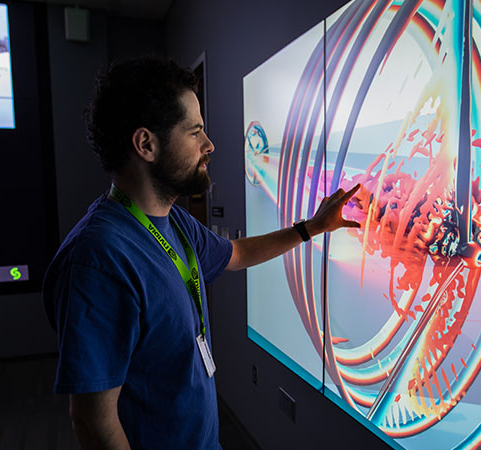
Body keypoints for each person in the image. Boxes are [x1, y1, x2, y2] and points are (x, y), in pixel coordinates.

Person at [42, 57, 360, 450]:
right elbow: (93, 421)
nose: (210, 145)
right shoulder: (99, 259)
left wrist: (310, 228)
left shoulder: (175, 222)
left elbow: (237, 254)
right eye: (195, 132)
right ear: (146, 144)